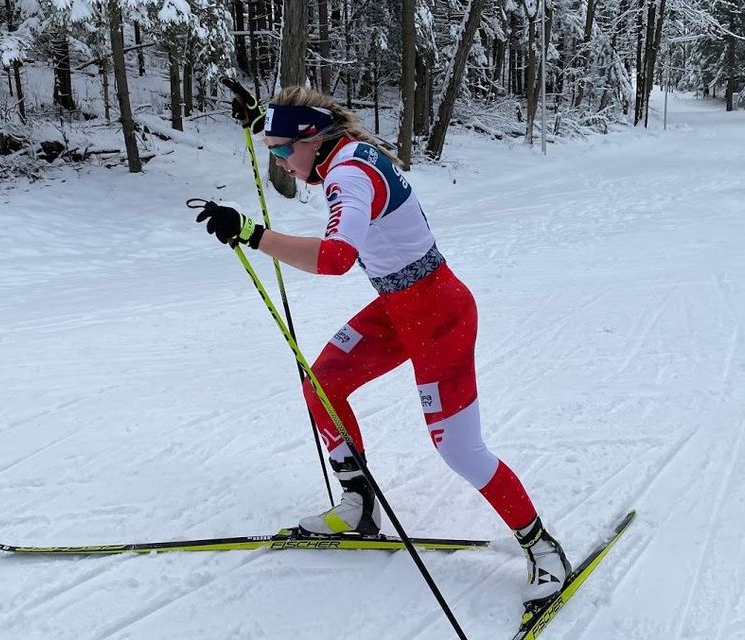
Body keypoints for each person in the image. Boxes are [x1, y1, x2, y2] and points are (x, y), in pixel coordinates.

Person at [194, 85, 570, 609]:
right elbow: (302, 150)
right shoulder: (337, 153)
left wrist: (254, 235)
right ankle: (358, 507)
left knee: (460, 450)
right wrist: (263, 123)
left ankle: (543, 547)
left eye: (282, 151)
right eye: (271, 152)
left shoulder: (347, 174)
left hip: (440, 317)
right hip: (399, 308)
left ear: (312, 139)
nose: (279, 163)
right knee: (322, 384)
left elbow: (336, 258)